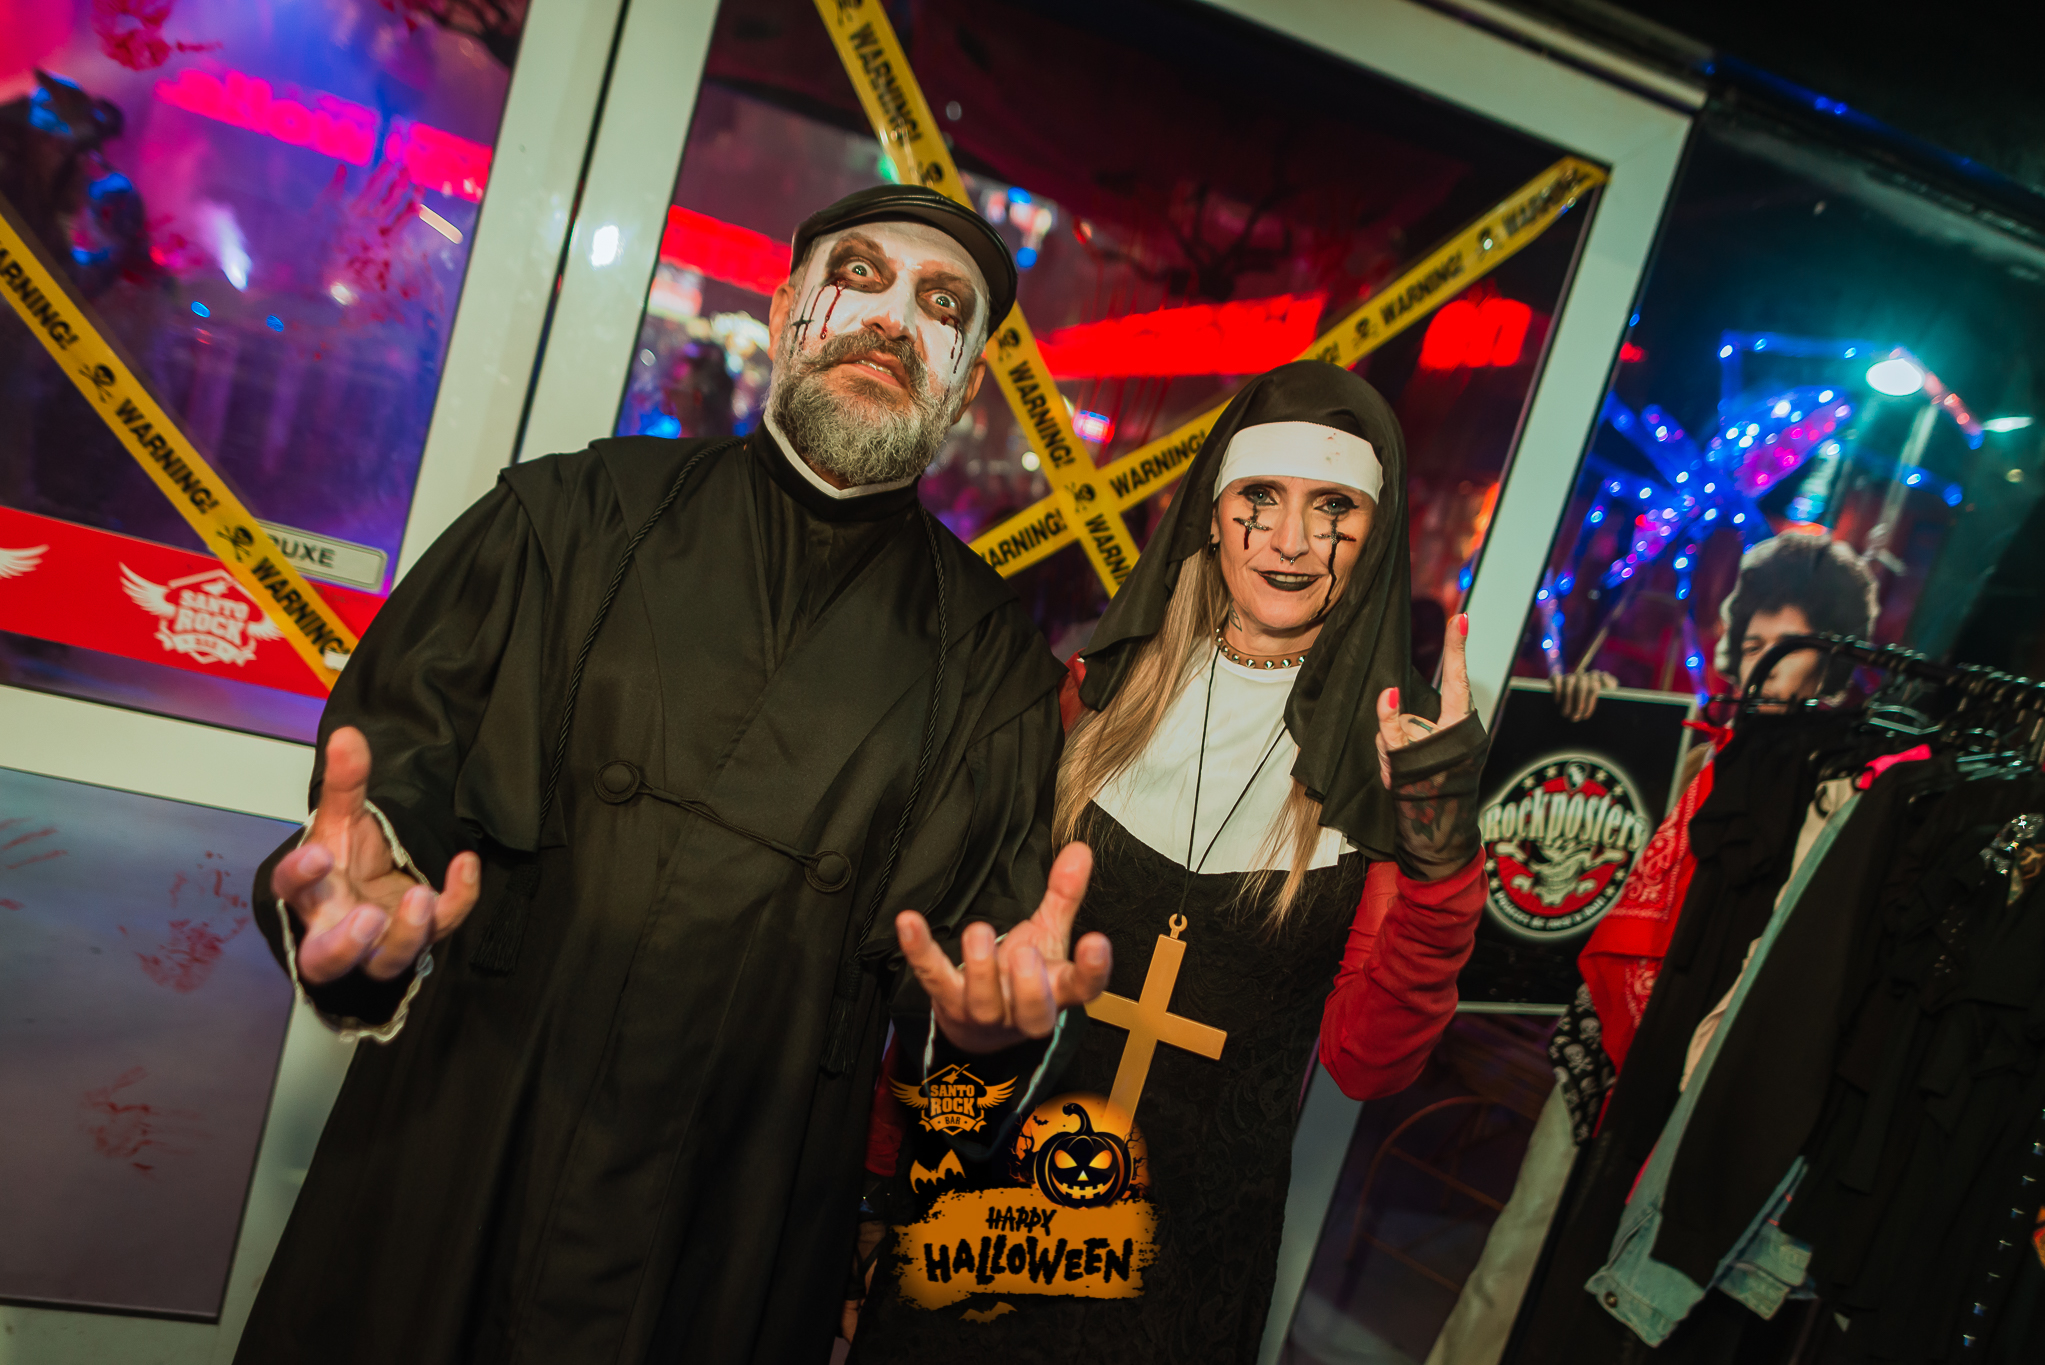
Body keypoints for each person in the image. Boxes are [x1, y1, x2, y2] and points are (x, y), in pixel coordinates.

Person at [234, 184, 1112, 1365]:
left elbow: (970, 974)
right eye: (859, 276)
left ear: (966, 381)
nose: (893, 321)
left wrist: (981, 1034)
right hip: (466, 1139)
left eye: (941, 306)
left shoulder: (995, 668)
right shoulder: (569, 515)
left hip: (735, 1216)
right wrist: (370, 883)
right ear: (784, 307)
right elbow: (399, 772)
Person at [851, 361, 1490, 1362]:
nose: (1289, 539)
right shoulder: (1088, 703)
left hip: (1182, 1272)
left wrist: (1439, 845)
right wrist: (878, 1177)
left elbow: (1369, 1061)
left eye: (1332, 506)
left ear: (1374, 534)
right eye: (1260, 496)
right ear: (1212, 511)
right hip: (979, 1215)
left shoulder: (1381, 766)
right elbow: (966, 963)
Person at [1426, 531, 1879, 1365]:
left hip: (1698, 1069)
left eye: (1785, 649)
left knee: (1614, 1301)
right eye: (1751, 643)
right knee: (1519, 1251)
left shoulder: (1845, 790)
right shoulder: (1702, 749)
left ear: (1829, 664)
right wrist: (1594, 712)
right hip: (1604, 1045)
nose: (1763, 666)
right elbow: (1601, 823)